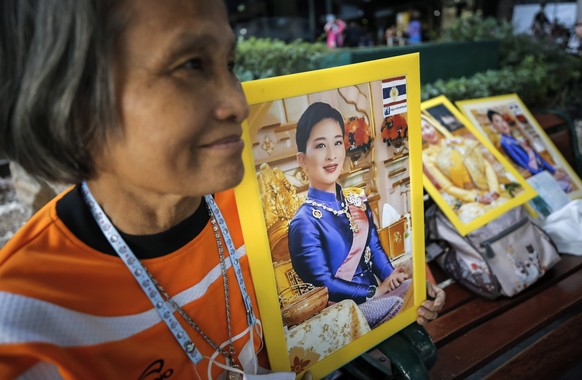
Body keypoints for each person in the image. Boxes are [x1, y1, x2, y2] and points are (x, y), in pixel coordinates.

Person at [0, 1, 444, 378]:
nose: (236, 102)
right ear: (72, 101)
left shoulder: (253, 208)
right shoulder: (24, 325)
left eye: (228, 65)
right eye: (190, 66)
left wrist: (409, 292)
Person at [288, 103, 444, 328]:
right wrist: (374, 291)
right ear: (302, 159)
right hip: (346, 313)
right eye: (320, 145)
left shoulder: (356, 200)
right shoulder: (304, 222)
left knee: (421, 292)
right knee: (405, 303)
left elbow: (375, 249)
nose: (332, 155)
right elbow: (323, 285)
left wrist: (392, 278)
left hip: (380, 297)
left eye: (338, 143)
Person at [421, 116, 508, 223]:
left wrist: (494, 191)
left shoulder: (458, 141)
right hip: (468, 199)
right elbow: (447, 187)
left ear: (434, 126)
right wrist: (476, 198)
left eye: (428, 127)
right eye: (421, 130)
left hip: (489, 189)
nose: (427, 131)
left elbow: (485, 165)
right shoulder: (427, 156)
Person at [486, 110, 572, 192]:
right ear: (493, 126)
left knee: (568, 180)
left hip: (544, 171)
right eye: (497, 121)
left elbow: (537, 156)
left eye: (503, 120)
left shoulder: (516, 138)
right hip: (538, 178)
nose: (502, 124)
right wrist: (548, 176)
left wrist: (553, 170)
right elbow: (523, 165)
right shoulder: (505, 143)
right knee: (566, 186)